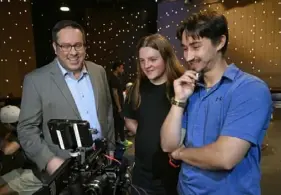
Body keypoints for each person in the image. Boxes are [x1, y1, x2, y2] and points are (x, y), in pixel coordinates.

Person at [160, 10, 273, 195]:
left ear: (220, 42)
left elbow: (225, 157)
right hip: (185, 190)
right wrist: (178, 100)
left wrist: (180, 154)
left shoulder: (250, 89)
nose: (188, 57)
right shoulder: (191, 89)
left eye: (196, 47)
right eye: (185, 48)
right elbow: (167, 144)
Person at [17, 20, 115, 188]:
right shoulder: (35, 80)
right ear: (55, 47)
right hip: (65, 170)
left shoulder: (98, 71)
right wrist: (49, 161)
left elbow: (107, 113)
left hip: (102, 162)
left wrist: (111, 148)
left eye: (78, 45)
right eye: (65, 46)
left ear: (85, 46)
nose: (73, 52)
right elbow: (26, 130)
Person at [124, 33, 184, 195]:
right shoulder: (136, 89)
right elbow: (129, 120)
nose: (146, 65)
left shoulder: (181, 88)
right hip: (142, 176)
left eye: (152, 59)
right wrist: (148, 134)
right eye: (142, 61)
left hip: (175, 175)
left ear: (166, 57)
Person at [0, 105, 42, 195]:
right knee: (2, 180)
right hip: (29, 167)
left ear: (7, 124)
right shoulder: (29, 123)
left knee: (2, 191)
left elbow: (8, 150)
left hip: (39, 173)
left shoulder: (25, 130)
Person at [109, 62, 133, 147]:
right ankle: (121, 140)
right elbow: (115, 93)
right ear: (117, 68)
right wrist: (119, 107)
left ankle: (119, 140)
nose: (123, 70)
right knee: (119, 123)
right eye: (121, 68)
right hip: (116, 106)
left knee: (119, 123)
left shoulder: (117, 78)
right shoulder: (113, 78)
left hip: (119, 105)